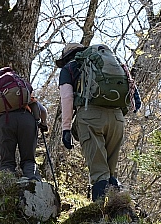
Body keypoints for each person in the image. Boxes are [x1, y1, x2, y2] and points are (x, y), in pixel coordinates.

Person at [56, 43, 140, 202]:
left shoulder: (70, 68)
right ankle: (119, 213)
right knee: (111, 170)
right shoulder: (112, 61)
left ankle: (99, 215)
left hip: (90, 117)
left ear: (67, 56)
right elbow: (132, 89)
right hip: (117, 118)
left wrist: (66, 129)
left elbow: (67, 98)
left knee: (99, 172)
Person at [0, 73, 48, 181]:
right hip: (27, 121)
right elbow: (42, 110)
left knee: (7, 162)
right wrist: (43, 123)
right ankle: (32, 181)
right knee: (29, 159)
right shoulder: (23, 87)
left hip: (4, 122)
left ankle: (5, 184)